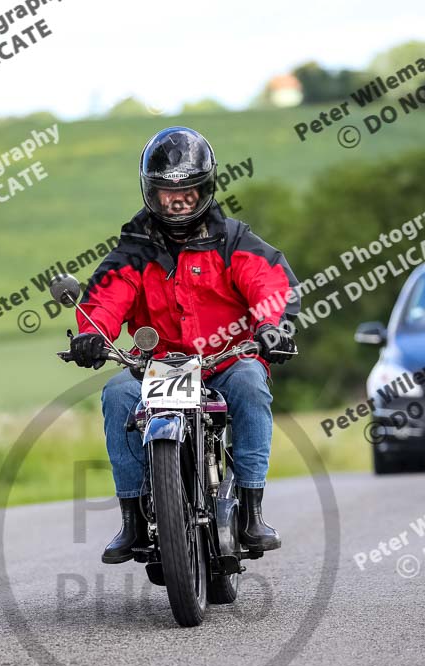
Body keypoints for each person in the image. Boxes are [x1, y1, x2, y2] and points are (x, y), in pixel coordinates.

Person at [69, 127, 300, 563]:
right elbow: (105, 297)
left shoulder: (232, 239)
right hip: (160, 366)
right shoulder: (132, 249)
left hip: (227, 358)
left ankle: (252, 511)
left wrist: (272, 327)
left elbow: (269, 282)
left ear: (204, 190)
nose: (175, 203)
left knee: (252, 385)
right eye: (164, 194)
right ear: (149, 194)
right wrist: (91, 335)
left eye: (187, 193)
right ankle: (134, 520)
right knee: (117, 393)